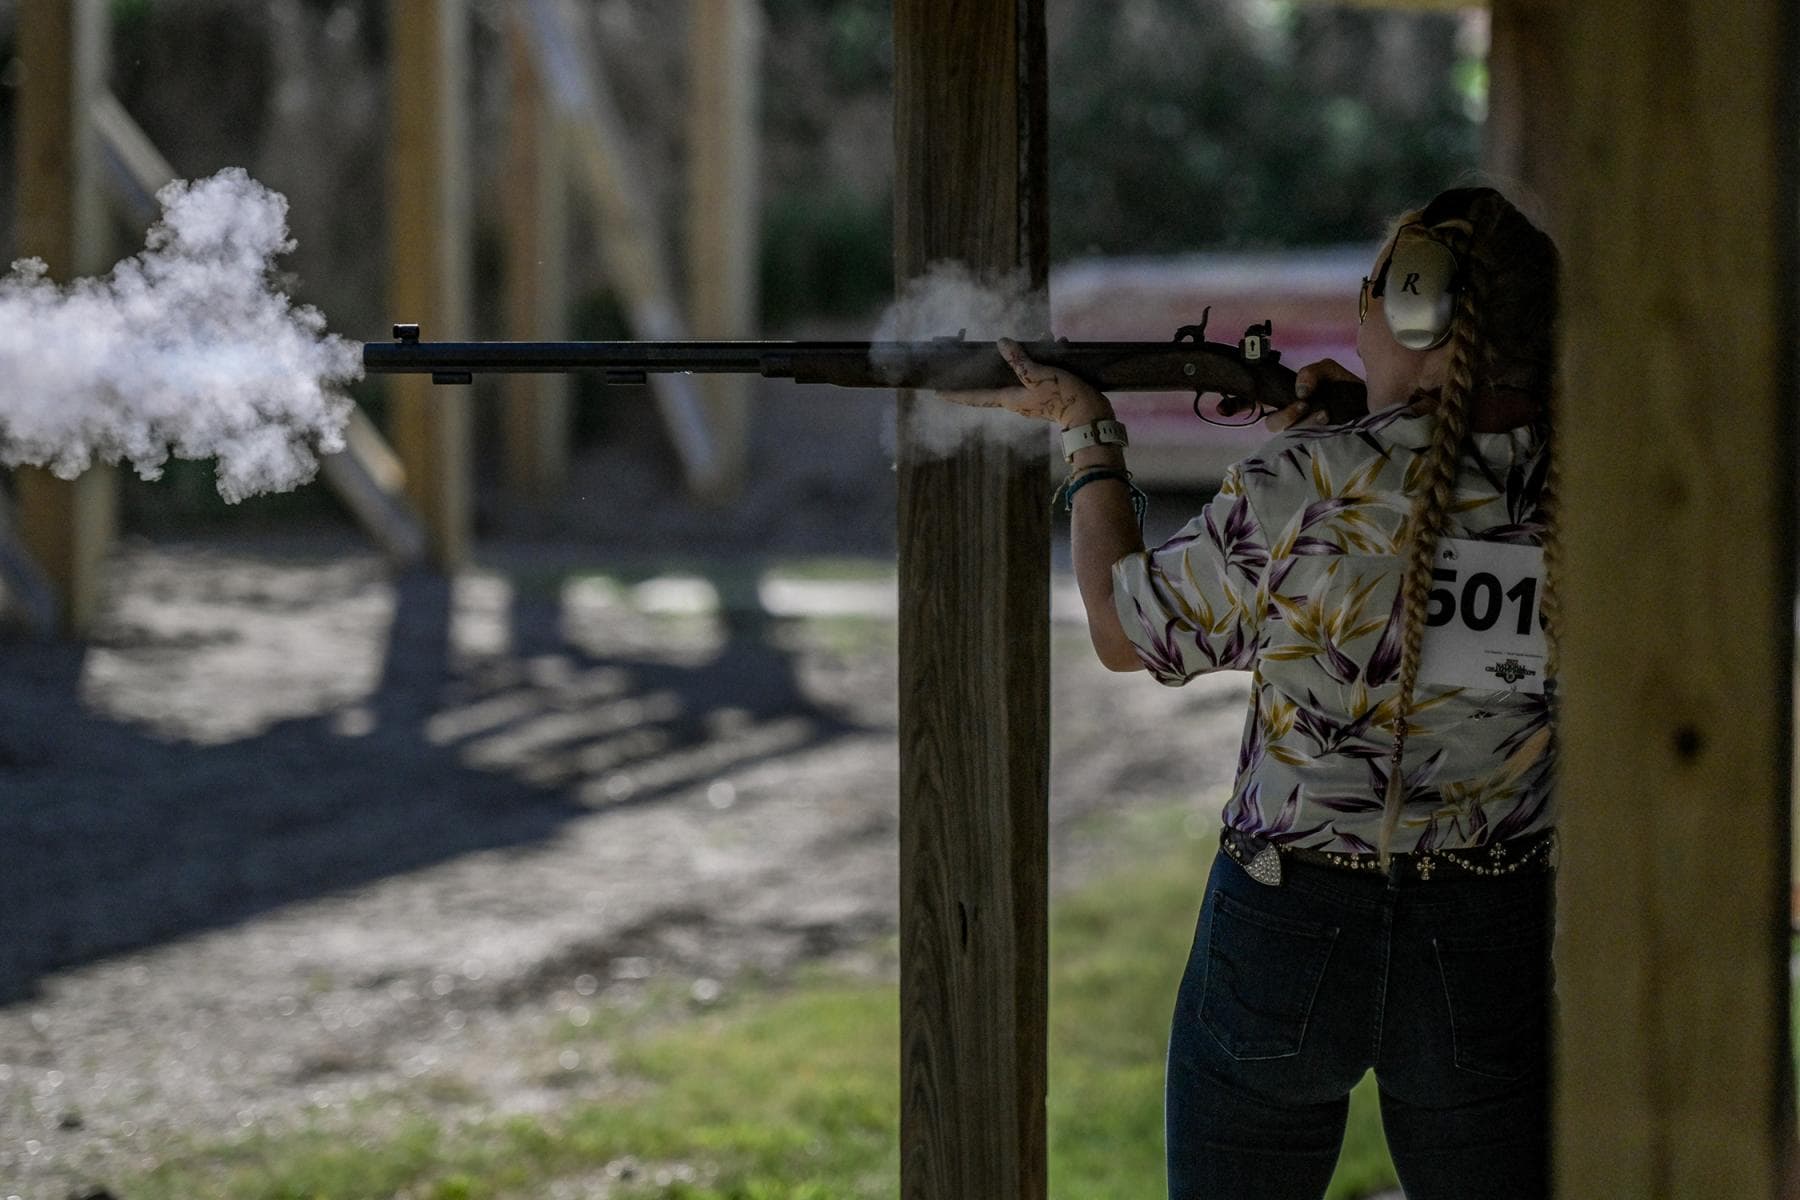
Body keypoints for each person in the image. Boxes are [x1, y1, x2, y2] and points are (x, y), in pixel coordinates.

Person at [974, 186, 1560, 1200]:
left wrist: (1088, 438)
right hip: (1489, 935)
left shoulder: (1309, 484)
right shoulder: (1594, 493)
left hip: (1285, 928)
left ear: (1417, 312)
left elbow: (1124, 630)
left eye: (1376, 289)